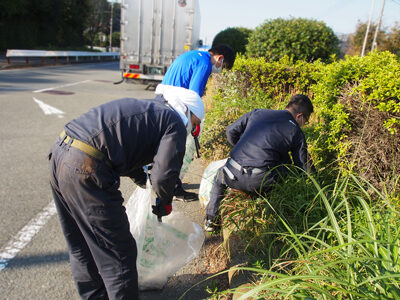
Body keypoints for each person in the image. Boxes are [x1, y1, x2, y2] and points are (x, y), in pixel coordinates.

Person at [48, 96, 203, 300]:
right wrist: (165, 201)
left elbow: (128, 148)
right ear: (187, 111)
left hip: (60, 153)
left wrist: (143, 183)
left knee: (80, 244)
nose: (192, 131)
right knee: (118, 254)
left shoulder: (152, 109)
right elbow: (163, 177)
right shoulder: (173, 121)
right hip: (85, 166)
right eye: (194, 124)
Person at [204, 94, 314, 232]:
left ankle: (211, 221)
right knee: (287, 168)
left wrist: (241, 150)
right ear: (299, 116)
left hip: (233, 173)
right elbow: (303, 166)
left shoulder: (258, 112)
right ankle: (273, 218)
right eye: (306, 120)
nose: (304, 124)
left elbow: (231, 131)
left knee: (220, 178)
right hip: (263, 181)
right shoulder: (295, 131)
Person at [155, 44, 236, 202]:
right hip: (175, 106)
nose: (220, 70)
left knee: (164, 145)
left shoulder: (193, 55)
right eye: (223, 66)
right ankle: (173, 188)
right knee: (177, 148)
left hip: (162, 100)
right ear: (220, 58)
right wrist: (196, 122)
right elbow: (194, 97)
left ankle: (161, 180)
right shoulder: (205, 63)